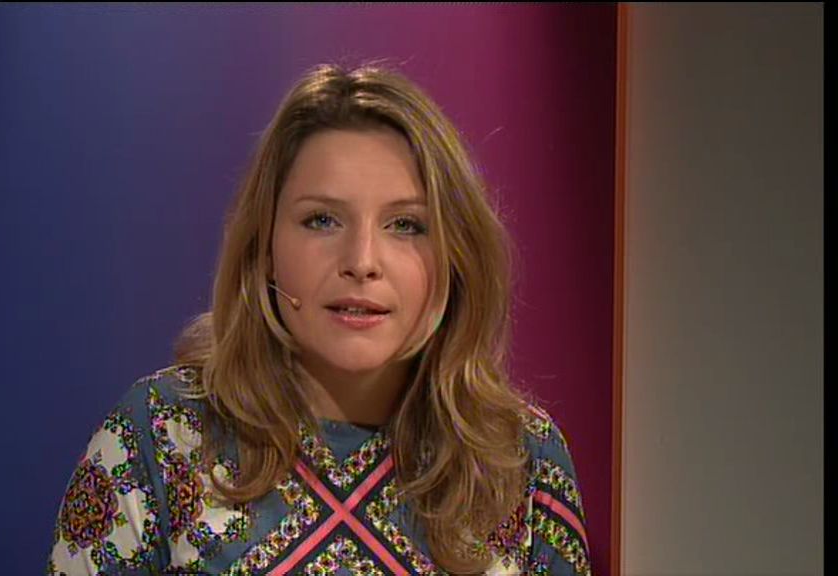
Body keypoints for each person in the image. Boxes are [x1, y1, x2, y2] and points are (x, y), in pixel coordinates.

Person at [47, 61, 591, 576]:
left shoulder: (521, 457)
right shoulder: (157, 435)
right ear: (265, 246)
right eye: (322, 220)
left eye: (406, 225)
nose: (361, 261)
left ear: (455, 255)